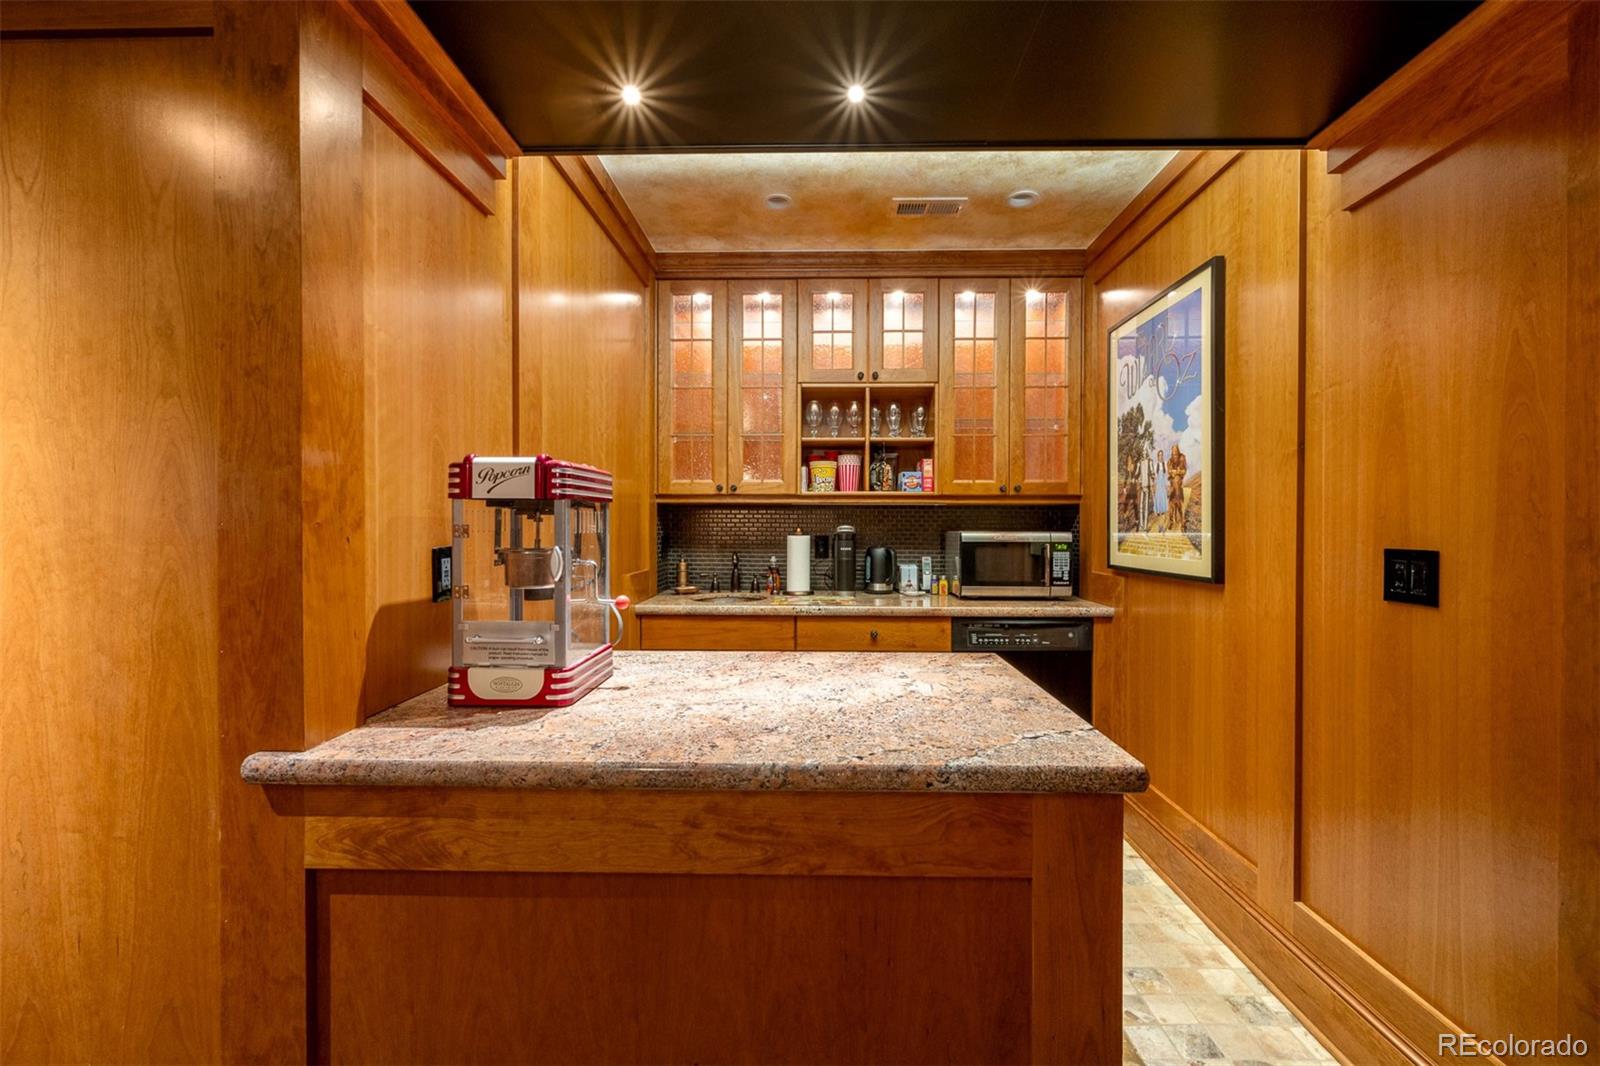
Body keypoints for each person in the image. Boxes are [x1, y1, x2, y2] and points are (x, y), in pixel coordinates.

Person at [1166, 443, 1188, 532]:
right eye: (1173, 451)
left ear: (1178, 451)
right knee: (1171, 504)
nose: (1174, 452)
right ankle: (1171, 521)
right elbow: (1169, 471)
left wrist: (1178, 472)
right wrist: (1173, 472)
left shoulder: (1182, 457)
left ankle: (1182, 521)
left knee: (1178, 502)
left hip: (1178, 483)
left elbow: (1183, 470)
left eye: (1175, 451)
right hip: (1173, 483)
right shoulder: (1170, 460)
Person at [1152, 448, 1168, 527]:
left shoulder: (1165, 464)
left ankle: (1162, 525)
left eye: (1162, 455)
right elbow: (1155, 477)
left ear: (1163, 456)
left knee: (1163, 508)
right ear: (1157, 456)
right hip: (1158, 487)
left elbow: (1166, 477)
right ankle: (1159, 526)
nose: (1161, 457)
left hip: (1163, 487)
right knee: (1158, 509)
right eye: (1159, 455)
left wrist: (1167, 487)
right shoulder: (1156, 465)